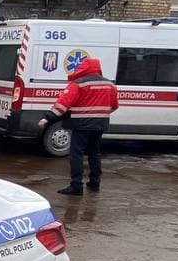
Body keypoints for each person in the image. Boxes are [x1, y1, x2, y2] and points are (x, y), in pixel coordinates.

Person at [38, 55, 119, 196]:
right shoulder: (110, 84)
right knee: (94, 153)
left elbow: (63, 104)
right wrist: (100, 114)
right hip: (100, 124)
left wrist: (47, 118)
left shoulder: (78, 83)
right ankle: (94, 183)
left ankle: (76, 186)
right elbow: (114, 105)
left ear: (84, 68)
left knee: (77, 154)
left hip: (82, 124)